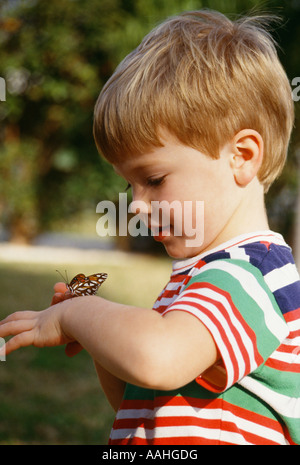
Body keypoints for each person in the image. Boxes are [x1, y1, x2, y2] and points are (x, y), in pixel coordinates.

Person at [0, 9, 299, 445]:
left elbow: (158, 359)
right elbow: (142, 399)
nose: (136, 206)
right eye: (130, 184)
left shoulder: (249, 276)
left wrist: (77, 313)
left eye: (154, 180)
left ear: (242, 155)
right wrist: (102, 341)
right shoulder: (201, 281)